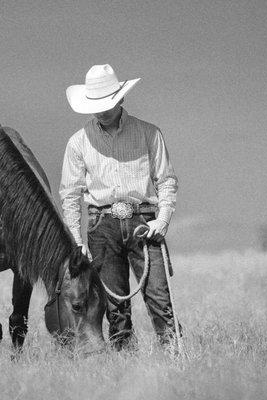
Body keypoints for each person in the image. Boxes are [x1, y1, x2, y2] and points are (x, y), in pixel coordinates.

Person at [59, 64, 180, 350]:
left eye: (108, 103)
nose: (102, 111)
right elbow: (70, 194)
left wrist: (161, 221)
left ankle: (176, 361)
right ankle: (123, 368)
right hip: (102, 225)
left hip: (144, 223)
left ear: (121, 99)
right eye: (96, 105)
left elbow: (167, 181)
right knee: (115, 309)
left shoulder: (149, 133)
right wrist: (77, 240)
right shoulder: (77, 143)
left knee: (159, 299)